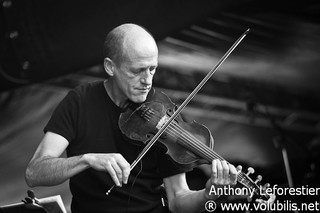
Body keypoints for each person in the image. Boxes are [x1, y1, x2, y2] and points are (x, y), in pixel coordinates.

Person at [25, 23, 274, 213]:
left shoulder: (167, 112)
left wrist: (210, 195)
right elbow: (35, 173)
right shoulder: (80, 101)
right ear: (110, 67)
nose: (147, 81)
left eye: (152, 69)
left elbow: (178, 201)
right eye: (137, 71)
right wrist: (88, 159)